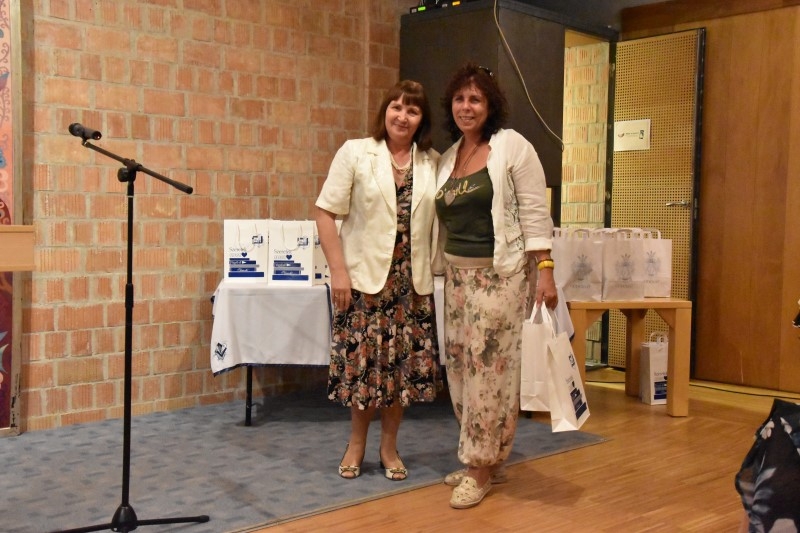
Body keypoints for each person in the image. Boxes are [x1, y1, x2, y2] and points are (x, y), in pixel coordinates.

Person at [433, 62, 558, 508]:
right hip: (456, 279)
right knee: (460, 369)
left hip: (500, 277)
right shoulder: (450, 156)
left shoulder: (512, 147)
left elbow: (535, 212)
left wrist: (545, 270)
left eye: (476, 99)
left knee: (490, 372)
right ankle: (487, 456)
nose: (466, 107)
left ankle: (480, 468)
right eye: (460, 99)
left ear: (490, 106)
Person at [315, 80, 440, 482]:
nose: (402, 116)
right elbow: (325, 214)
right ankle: (356, 444)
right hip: (364, 283)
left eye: (412, 110)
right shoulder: (355, 152)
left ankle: (389, 447)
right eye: (396, 107)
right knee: (364, 370)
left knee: (400, 372)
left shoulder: (432, 162)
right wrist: (339, 271)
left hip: (410, 286)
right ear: (385, 110)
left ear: (421, 120)